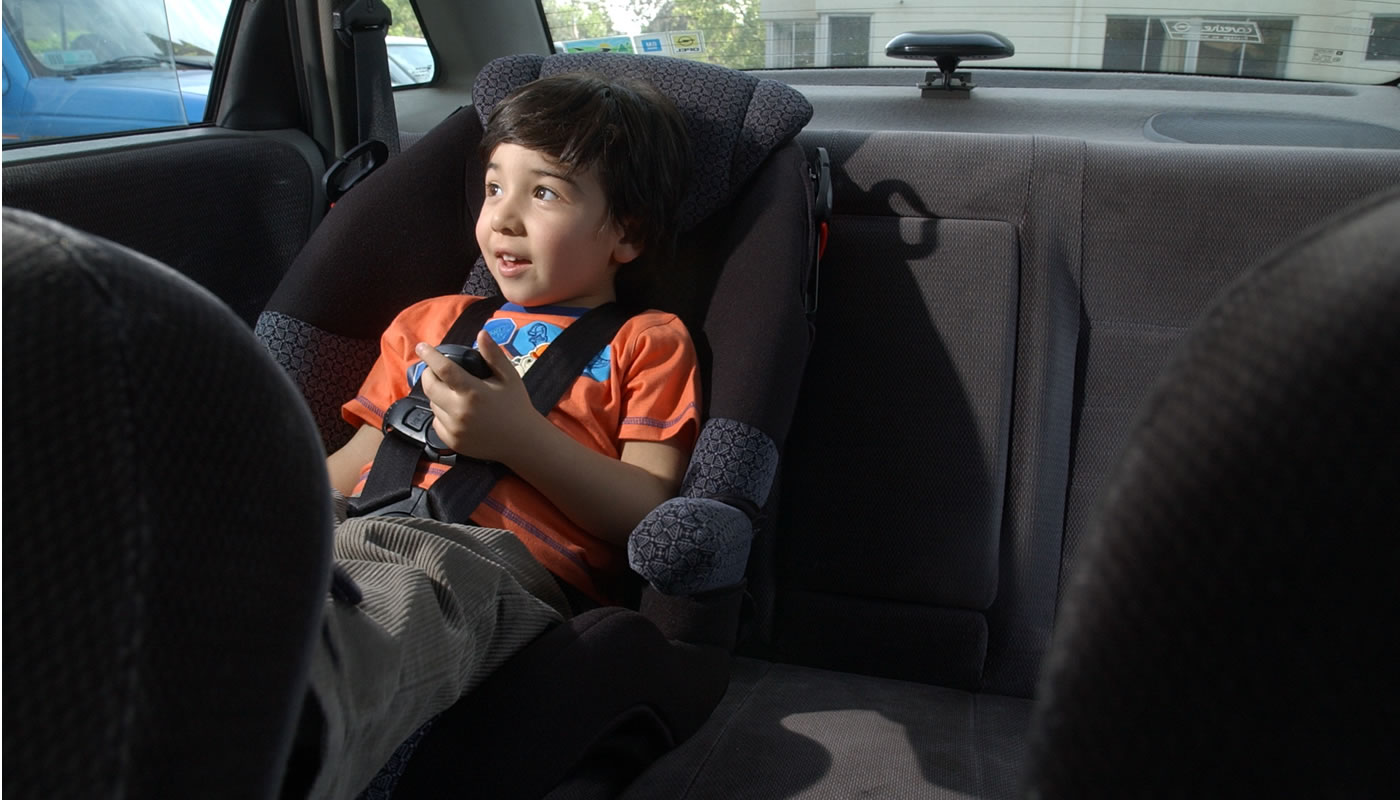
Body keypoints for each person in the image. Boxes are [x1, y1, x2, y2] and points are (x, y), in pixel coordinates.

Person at [305, 73, 699, 799]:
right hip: (356, 526)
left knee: (393, 612)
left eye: (544, 193)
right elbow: (361, 457)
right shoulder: (427, 323)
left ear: (627, 232)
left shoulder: (648, 341)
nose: (504, 219)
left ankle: (281, 722)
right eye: (494, 188)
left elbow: (646, 509)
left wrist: (519, 438)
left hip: (490, 567)